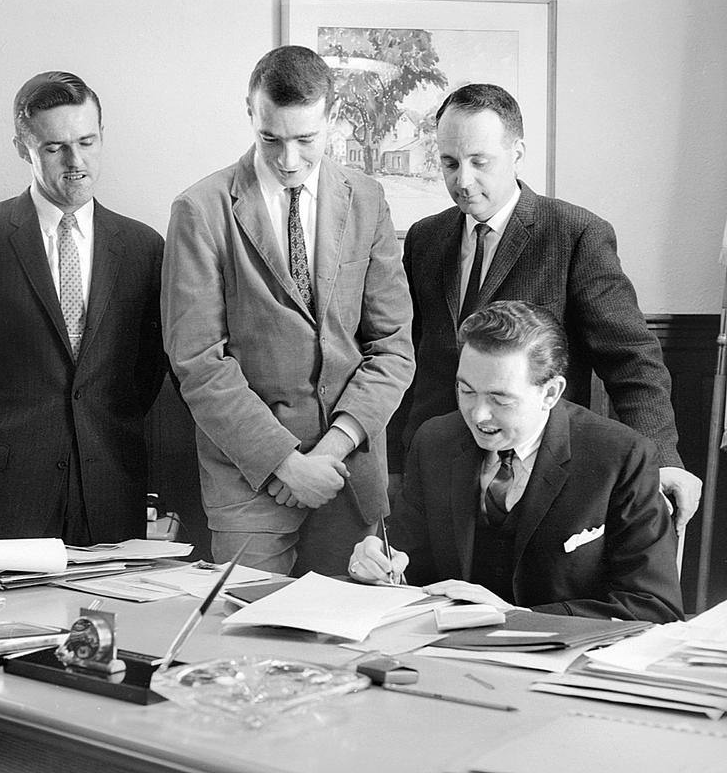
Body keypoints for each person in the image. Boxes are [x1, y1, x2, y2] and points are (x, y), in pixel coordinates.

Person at [388, 83, 700, 531]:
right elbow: (413, 359)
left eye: (480, 162)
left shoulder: (575, 234)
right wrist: (396, 463)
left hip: (535, 475)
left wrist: (663, 460)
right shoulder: (425, 238)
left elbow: (632, 361)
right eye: (450, 163)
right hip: (436, 473)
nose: (463, 180)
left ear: (517, 152)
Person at [161, 45, 414, 576]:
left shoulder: (367, 198)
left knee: (349, 643)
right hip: (248, 480)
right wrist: (284, 463)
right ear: (249, 114)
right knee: (252, 642)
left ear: (332, 118)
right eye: (270, 138)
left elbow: (393, 348)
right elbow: (198, 363)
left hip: (351, 474)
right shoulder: (200, 209)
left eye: (307, 139)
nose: (289, 159)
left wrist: (331, 452)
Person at [0, 71, 166, 544]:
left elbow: (145, 371)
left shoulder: (144, 247)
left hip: (107, 491)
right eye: (55, 147)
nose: (75, 161)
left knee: (100, 620)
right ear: (23, 146)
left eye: (87, 141)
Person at [351, 301, 683, 623]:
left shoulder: (620, 457)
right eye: (466, 391)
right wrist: (379, 564)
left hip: (563, 663)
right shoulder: (434, 441)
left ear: (551, 393)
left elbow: (654, 608)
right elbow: (409, 560)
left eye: (500, 398)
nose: (478, 415)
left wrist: (517, 618)